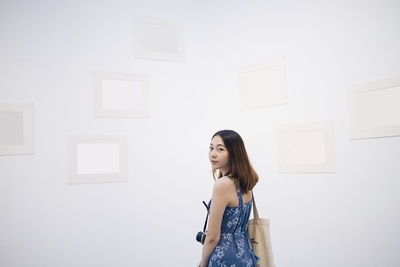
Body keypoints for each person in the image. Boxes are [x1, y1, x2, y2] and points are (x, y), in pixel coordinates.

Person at [199, 130, 259, 267]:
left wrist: (202, 264)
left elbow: (212, 237)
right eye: (211, 148)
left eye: (220, 149)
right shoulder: (245, 181)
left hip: (224, 259)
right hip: (247, 255)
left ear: (234, 153)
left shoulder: (222, 185)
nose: (213, 153)